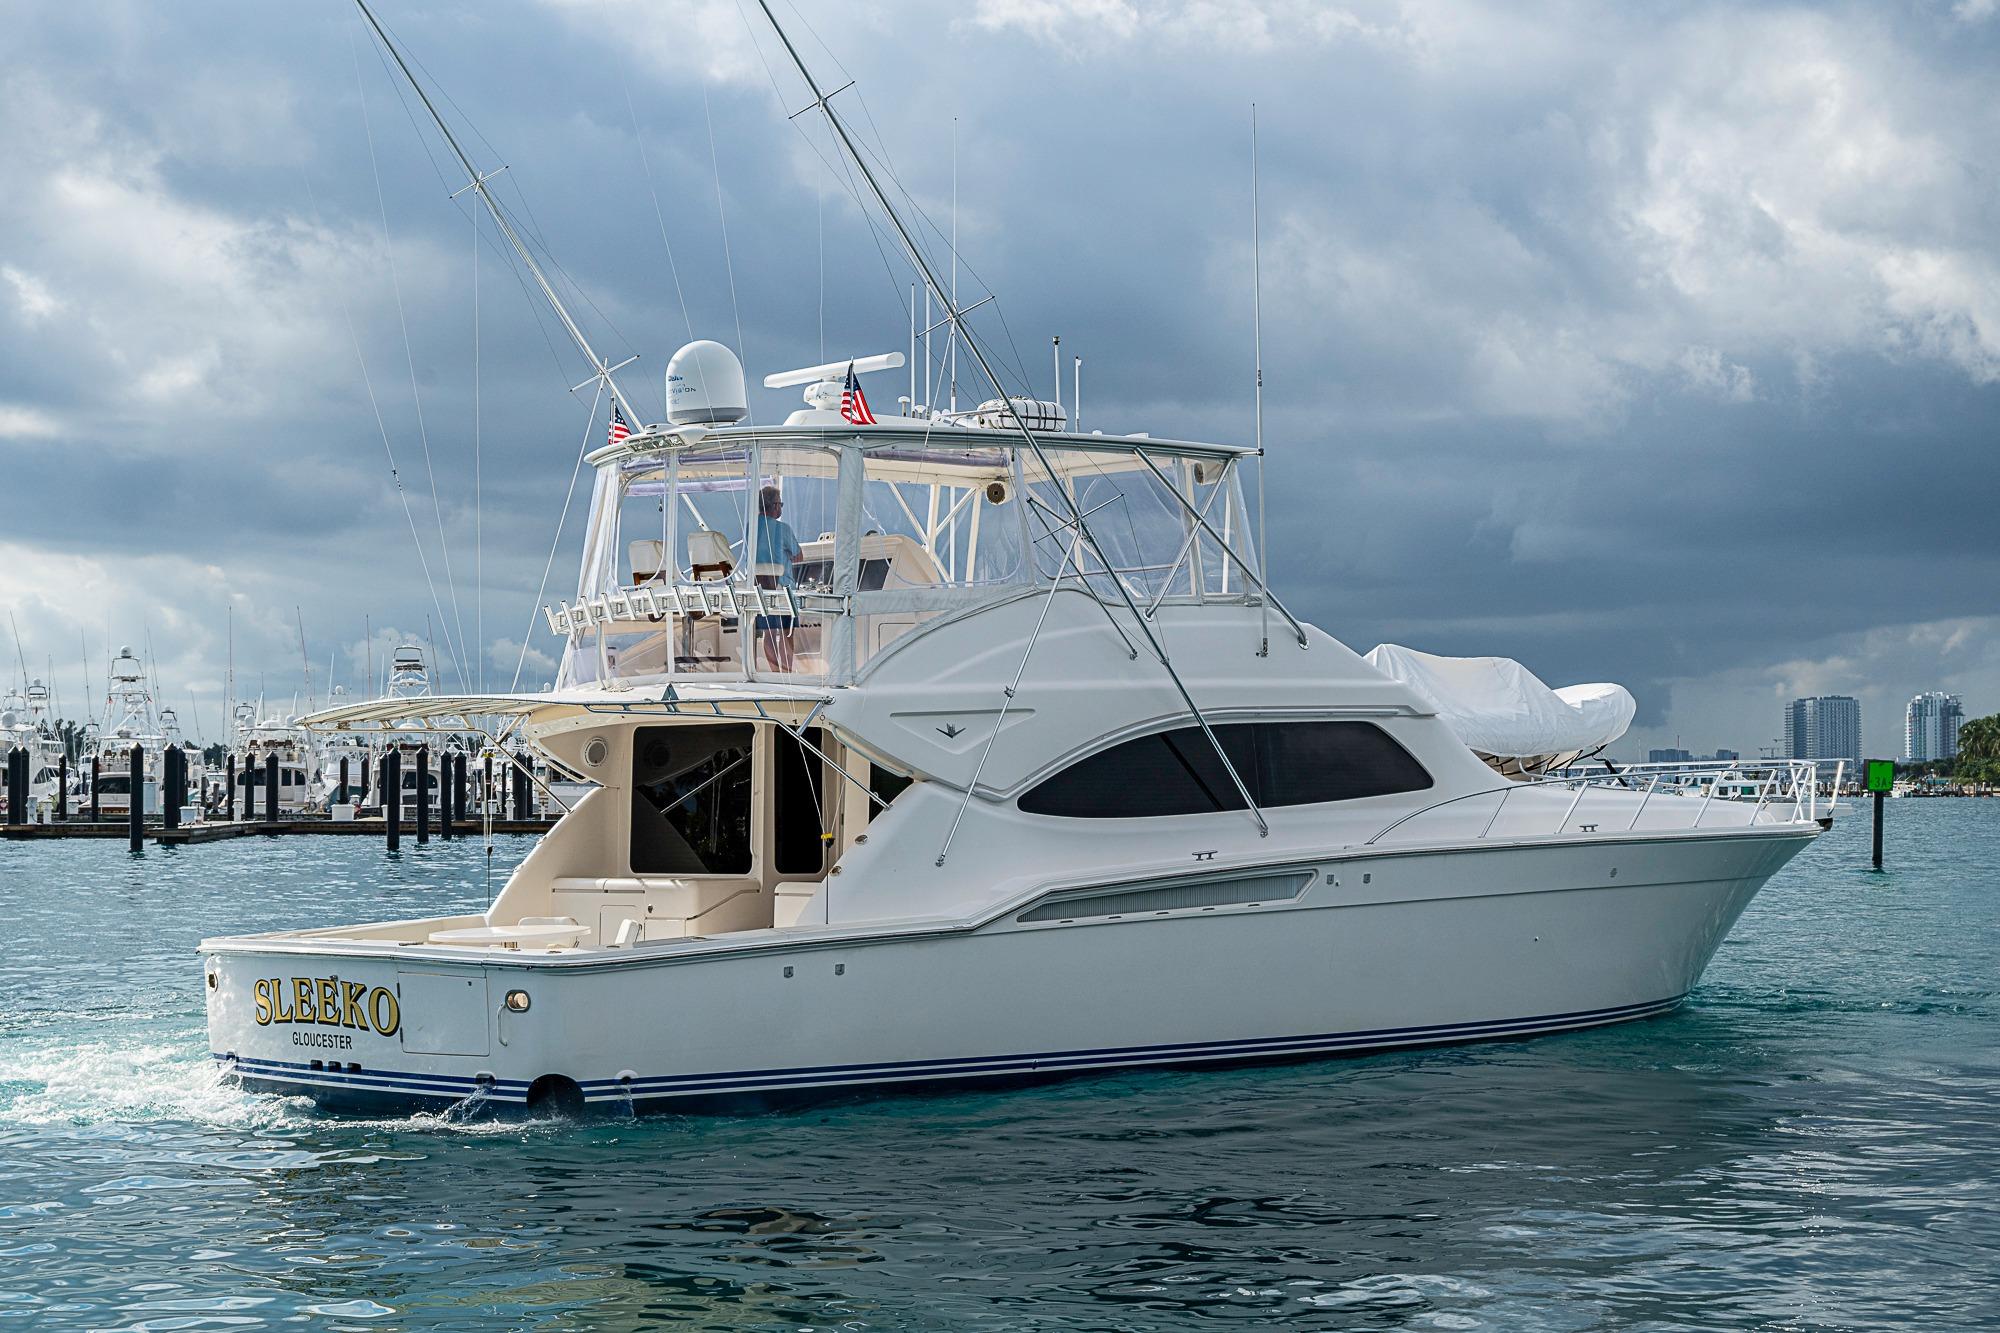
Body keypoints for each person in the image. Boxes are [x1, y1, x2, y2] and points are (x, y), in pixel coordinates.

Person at [753, 484, 804, 671]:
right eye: (780, 504)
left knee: (769, 633)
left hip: (759, 589)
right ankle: (787, 673)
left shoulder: (752, 528)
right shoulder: (782, 529)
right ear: (774, 506)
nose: (781, 507)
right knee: (786, 633)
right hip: (782, 589)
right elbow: (799, 556)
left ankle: (774, 672)